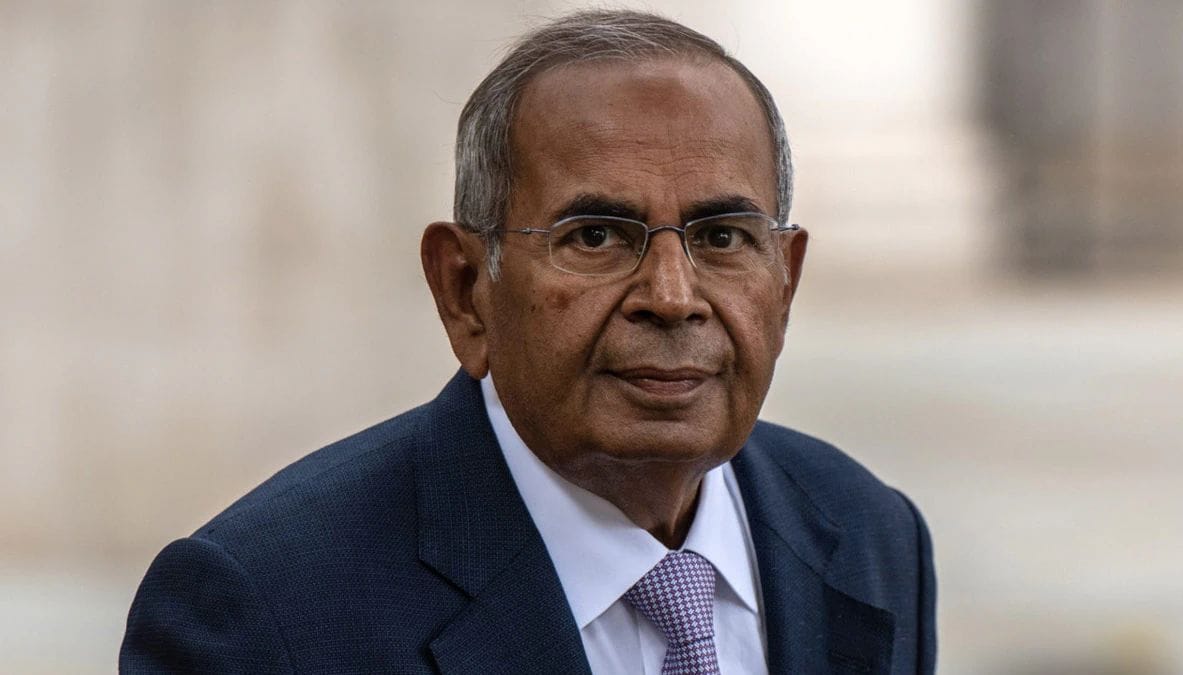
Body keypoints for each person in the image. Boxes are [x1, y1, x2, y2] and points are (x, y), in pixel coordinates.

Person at [121, 10, 935, 674]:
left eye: (722, 236)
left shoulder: (870, 536)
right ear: (465, 290)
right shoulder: (265, 613)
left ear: (784, 282)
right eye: (596, 237)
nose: (672, 297)